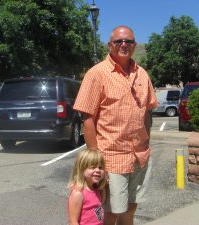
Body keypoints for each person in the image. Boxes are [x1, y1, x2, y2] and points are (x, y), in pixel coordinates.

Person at [73, 25, 158, 225]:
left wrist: (145, 141)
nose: (123, 45)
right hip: (111, 158)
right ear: (109, 45)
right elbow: (87, 118)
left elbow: (147, 110)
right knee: (110, 212)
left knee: (131, 206)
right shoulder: (97, 74)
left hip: (139, 156)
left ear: (134, 45)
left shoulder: (142, 74)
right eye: (118, 41)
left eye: (128, 41)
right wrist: (95, 161)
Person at [68, 148, 107, 225]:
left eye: (100, 167)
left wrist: (103, 185)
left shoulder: (95, 188)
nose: (98, 170)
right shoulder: (78, 193)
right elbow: (73, 221)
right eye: (92, 167)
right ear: (81, 169)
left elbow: (102, 201)